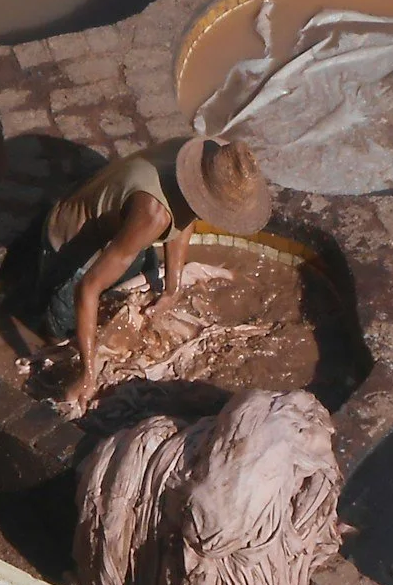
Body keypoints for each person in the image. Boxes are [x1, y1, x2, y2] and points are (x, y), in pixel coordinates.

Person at [33, 137, 272, 415]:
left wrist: (172, 289)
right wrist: (87, 374)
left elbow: (185, 217)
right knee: (63, 334)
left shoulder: (204, 158)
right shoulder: (152, 216)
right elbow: (87, 288)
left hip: (116, 217)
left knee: (126, 296)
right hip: (71, 238)